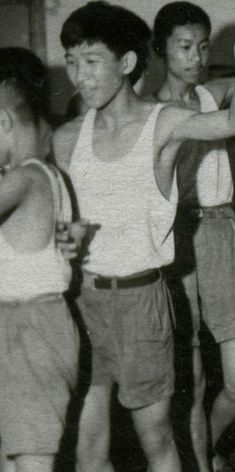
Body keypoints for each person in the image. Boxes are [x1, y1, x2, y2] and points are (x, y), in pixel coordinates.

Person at [52, 3, 235, 472]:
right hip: (84, 304)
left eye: (91, 62)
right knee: (88, 451)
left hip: (141, 303)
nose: (79, 76)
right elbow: (63, 221)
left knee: (157, 441)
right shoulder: (67, 138)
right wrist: (63, 238)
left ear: (126, 64)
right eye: (71, 61)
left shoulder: (161, 123)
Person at [151, 3, 235, 471]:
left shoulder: (213, 94)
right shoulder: (152, 114)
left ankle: (205, 450)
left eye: (203, 46)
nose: (195, 56)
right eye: (184, 47)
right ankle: (200, 462)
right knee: (191, 379)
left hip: (222, 232)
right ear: (159, 51)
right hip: (176, 239)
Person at [0, 47, 79, 472]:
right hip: (18, 326)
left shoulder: (27, 178)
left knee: (31, 464)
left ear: (2, 123)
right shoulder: (44, 174)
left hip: (30, 330)